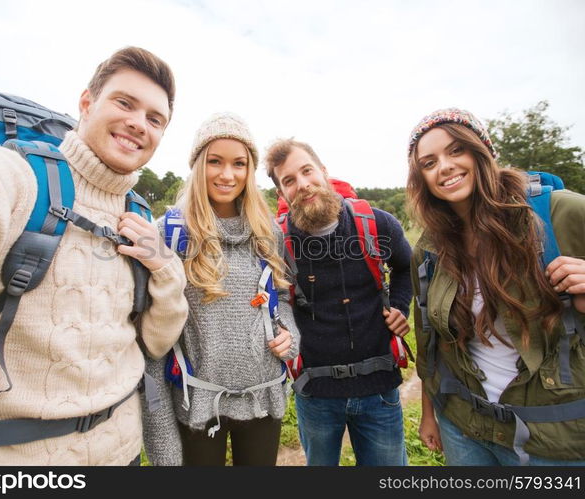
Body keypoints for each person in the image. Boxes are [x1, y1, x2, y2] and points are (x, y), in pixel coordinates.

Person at [0, 46, 188, 465]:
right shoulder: (18, 176)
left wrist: (163, 266)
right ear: (87, 103)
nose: (138, 124)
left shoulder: (138, 214)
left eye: (155, 119)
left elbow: (157, 342)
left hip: (123, 452)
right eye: (125, 103)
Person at [407, 108, 585, 465]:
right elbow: (430, 342)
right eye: (429, 163)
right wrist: (430, 413)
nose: (444, 166)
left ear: (482, 152)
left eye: (456, 150)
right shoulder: (429, 250)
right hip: (464, 428)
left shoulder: (560, 212)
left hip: (552, 441)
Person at [142, 112, 300, 466]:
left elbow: (283, 297)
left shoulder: (268, 233)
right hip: (195, 405)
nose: (227, 175)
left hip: (263, 399)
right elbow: (153, 340)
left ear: (250, 170)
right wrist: (162, 442)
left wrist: (290, 335)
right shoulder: (167, 234)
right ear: (199, 165)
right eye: (215, 161)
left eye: (239, 164)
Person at [264, 138, 412, 466]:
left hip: (379, 390)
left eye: (307, 171)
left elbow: (407, 267)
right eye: (289, 180)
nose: (302, 184)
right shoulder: (276, 242)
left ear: (324, 172)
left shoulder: (377, 224)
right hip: (315, 395)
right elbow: (269, 301)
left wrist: (400, 306)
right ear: (281, 194)